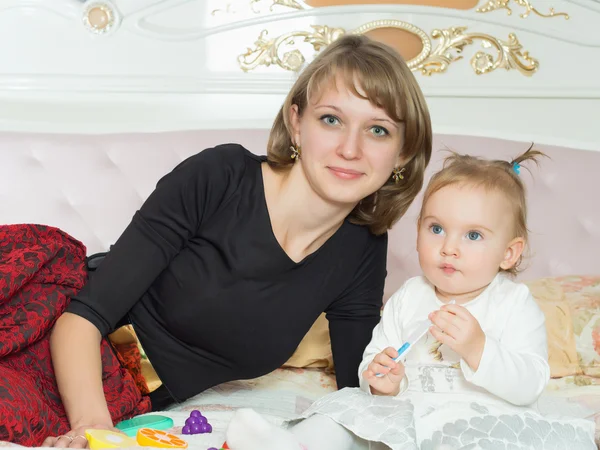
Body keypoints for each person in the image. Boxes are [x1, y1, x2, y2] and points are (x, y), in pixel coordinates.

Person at [38, 34, 432, 448]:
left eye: (378, 130)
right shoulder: (219, 176)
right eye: (331, 120)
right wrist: (92, 429)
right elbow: (82, 318)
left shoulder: (361, 246)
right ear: (297, 123)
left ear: (402, 154)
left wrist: (391, 390)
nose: (350, 149)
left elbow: (357, 389)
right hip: (57, 349)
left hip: (132, 404)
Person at [224, 148, 596, 449]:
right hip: (409, 415)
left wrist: (478, 347)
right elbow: (378, 354)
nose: (449, 248)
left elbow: (530, 383)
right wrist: (382, 379)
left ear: (509, 254)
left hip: (479, 420)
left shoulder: (514, 304)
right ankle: (291, 444)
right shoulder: (410, 296)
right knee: (345, 413)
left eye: (473, 236)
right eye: (436, 229)